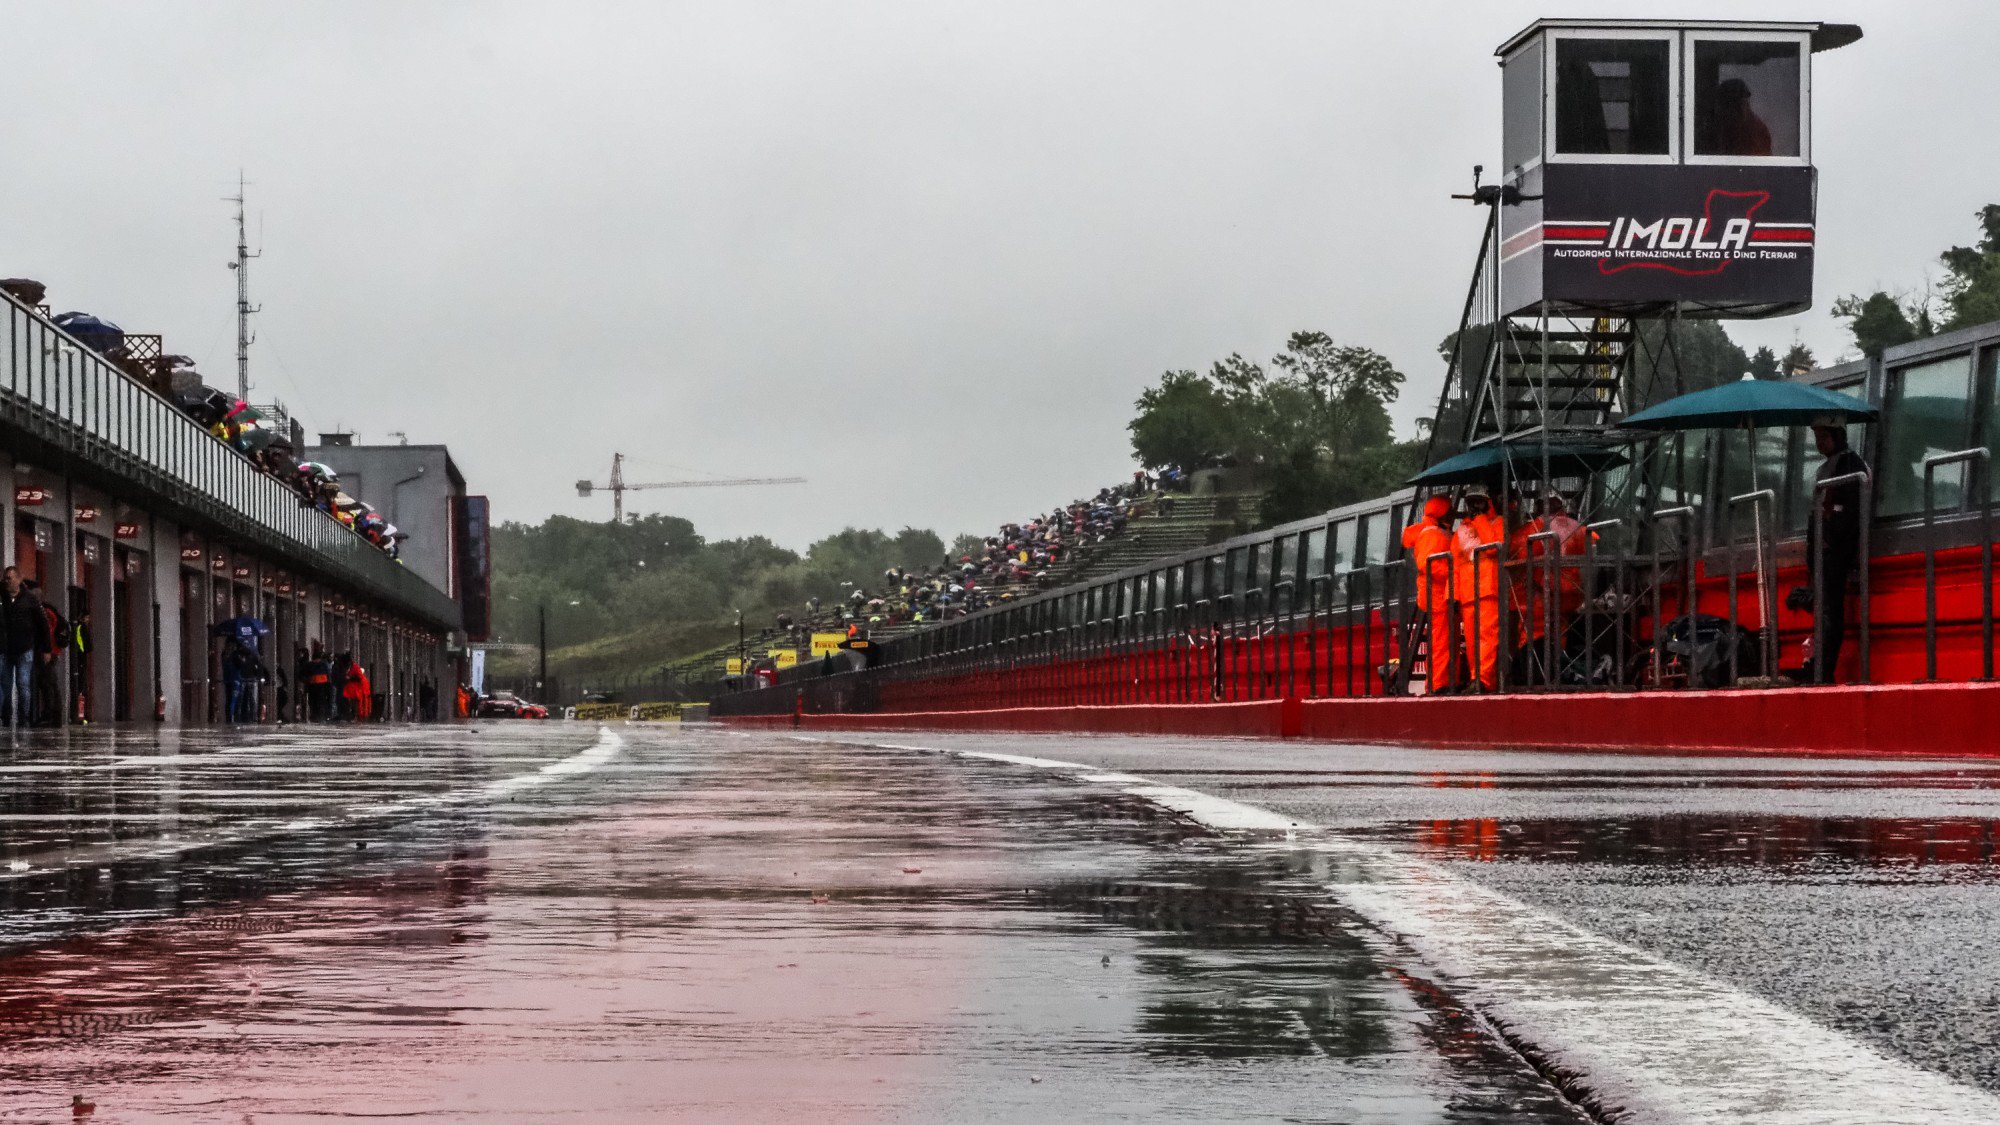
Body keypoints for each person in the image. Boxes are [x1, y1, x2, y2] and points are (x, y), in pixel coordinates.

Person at [1789, 424, 1869, 684]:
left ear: (1837, 436)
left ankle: (1823, 668)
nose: (1819, 443)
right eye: (1816, 437)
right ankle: (1818, 664)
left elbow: (1848, 514)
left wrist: (1832, 540)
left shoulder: (1851, 465)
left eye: (1823, 437)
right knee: (1825, 611)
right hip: (1824, 552)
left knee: (1831, 612)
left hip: (1836, 552)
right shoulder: (1828, 467)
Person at [1452, 487, 1508, 692]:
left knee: (1487, 638)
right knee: (1474, 640)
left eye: (1479, 502)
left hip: (1487, 590)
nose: (1475, 506)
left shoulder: (1497, 522)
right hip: (1468, 594)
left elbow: (1494, 548)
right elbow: (1455, 565)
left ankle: (1483, 681)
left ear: (1488, 503)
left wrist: (1480, 520)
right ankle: (1477, 679)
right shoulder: (1462, 530)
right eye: (1472, 502)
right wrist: (1454, 595)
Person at [1401, 496, 1458, 692]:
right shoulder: (1432, 534)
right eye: (1449, 510)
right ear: (1441, 513)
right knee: (1442, 641)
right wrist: (1455, 572)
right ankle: (1438, 684)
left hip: (1441, 593)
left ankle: (1446, 681)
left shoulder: (1435, 531)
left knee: (1447, 640)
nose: (1453, 513)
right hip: (1437, 594)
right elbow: (1430, 564)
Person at [0, 568, 49, 729]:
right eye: (5, 579)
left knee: (23, 684)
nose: (7, 582)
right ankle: (6, 716)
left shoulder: (30, 599)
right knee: (5, 686)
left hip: (24, 648)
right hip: (5, 649)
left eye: (10, 578)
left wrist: (46, 648)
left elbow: (43, 624)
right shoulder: (2, 597)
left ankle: (23, 717)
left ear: (19, 579)